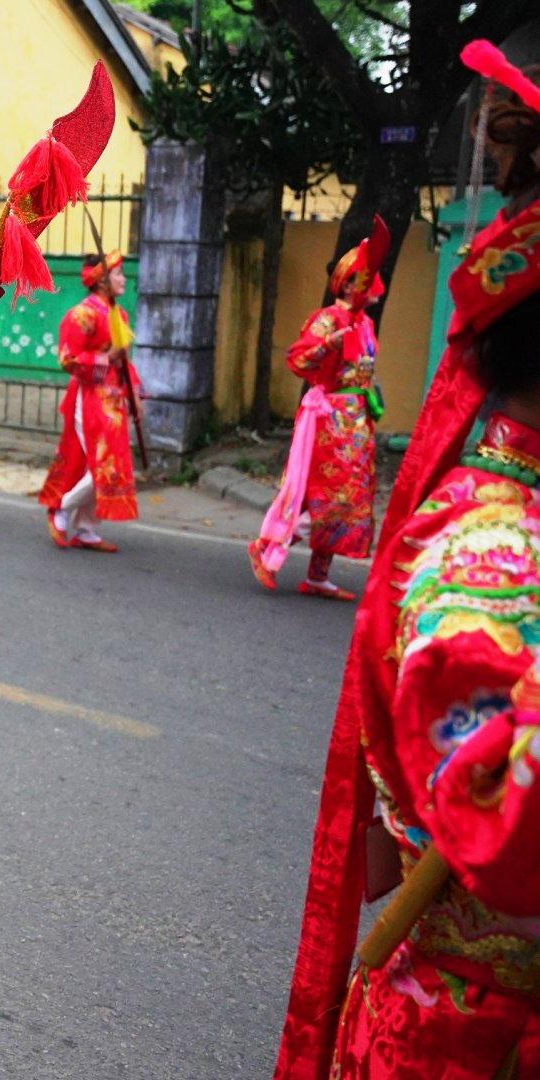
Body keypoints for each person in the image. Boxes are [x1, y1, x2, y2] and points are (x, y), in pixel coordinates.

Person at [272, 43, 540, 1079]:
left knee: (341, 506)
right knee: (324, 508)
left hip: (351, 423)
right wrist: (332, 358)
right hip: (465, 1039)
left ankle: (319, 556)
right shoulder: (481, 550)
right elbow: (509, 840)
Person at [247, 220, 388, 600]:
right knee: (330, 496)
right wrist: (329, 343)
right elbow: (298, 360)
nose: (373, 283)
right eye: (365, 277)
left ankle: (318, 574)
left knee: (346, 496)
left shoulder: (367, 325)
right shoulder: (328, 319)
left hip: (357, 419)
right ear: (347, 284)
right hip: (332, 420)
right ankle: (269, 546)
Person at [36, 252, 143, 552]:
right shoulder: (82, 314)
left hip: (115, 398)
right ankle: (62, 508)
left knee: (104, 462)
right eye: (118, 273)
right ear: (101, 280)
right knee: (105, 465)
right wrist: (106, 358)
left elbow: (125, 362)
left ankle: (85, 528)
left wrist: (134, 391)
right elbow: (68, 359)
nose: (124, 278)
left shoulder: (118, 314)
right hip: (90, 396)